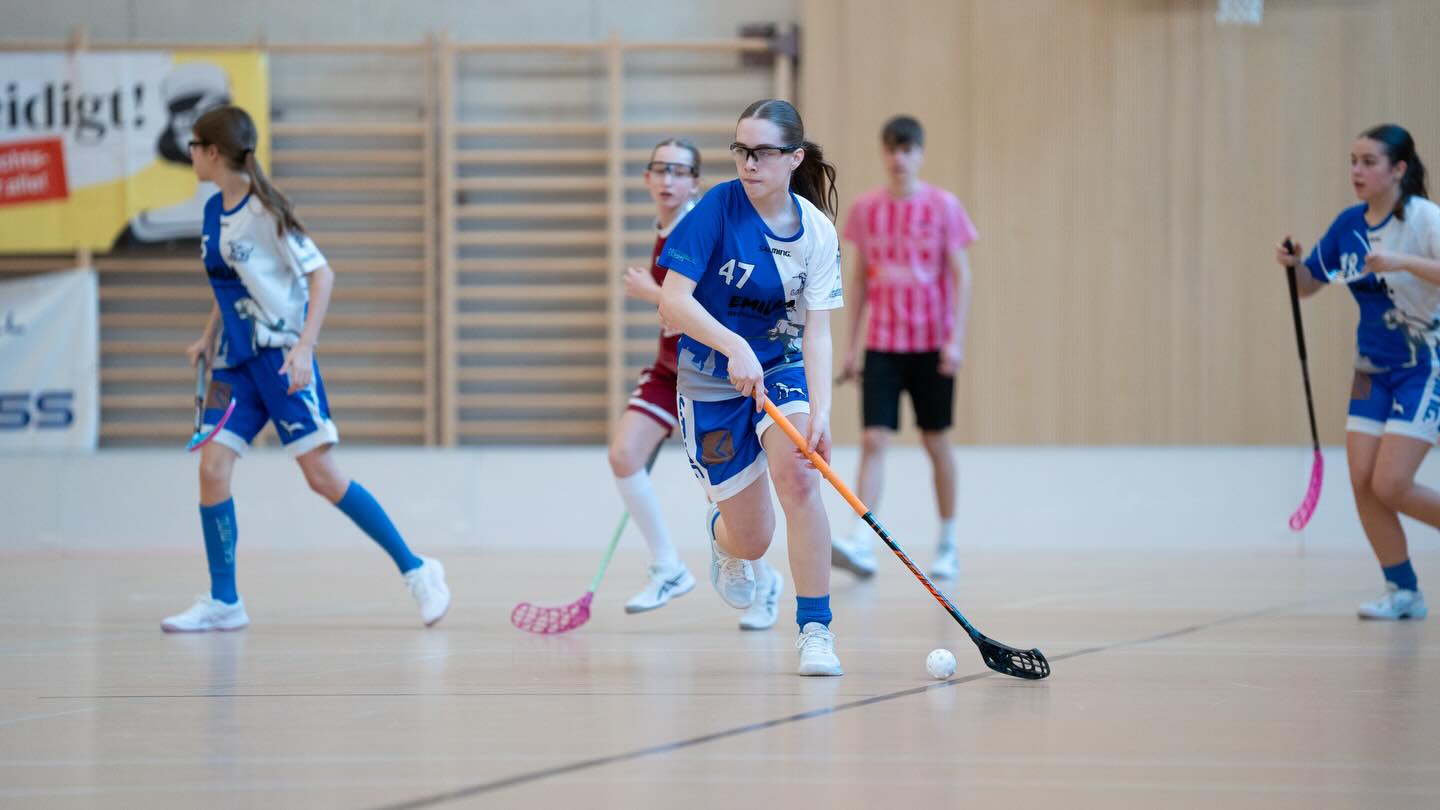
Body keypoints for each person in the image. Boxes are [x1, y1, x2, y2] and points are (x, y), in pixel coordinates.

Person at [160, 105, 451, 632]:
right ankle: (224, 600)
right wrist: (208, 336)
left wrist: (304, 349)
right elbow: (230, 284)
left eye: (195, 147)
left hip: (279, 359)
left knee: (322, 476)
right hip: (235, 364)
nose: (191, 156)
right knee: (212, 467)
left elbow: (323, 276)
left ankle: (417, 569)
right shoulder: (211, 212)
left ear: (215, 152)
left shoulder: (267, 213)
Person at [658, 98, 846, 674]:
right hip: (711, 381)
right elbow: (673, 299)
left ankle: (815, 629)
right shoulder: (717, 208)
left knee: (801, 481)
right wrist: (733, 346)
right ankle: (723, 539)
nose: (748, 162)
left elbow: (817, 332)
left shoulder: (816, 232)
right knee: (754, 538)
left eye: (762, 152)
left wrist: (822, 412)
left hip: (781, 364)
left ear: (793, 158)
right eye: (741, 149)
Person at [1276, 123, 1440, 621]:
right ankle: (1403, 590)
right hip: (1370, 370)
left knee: (1392, 483)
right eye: (1353, 161)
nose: (1357, 171)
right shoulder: (1348, 224)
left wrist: (1400, 261)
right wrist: (1295, 265)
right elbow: (1309, 285)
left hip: (1423, 365)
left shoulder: (1423, 219)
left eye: (1369, 162)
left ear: (1399, 170)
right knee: (1364, 484)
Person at [831, 115, 976, 582]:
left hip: (931, 345)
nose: (899, 157)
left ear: (920, 153)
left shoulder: (943, 206)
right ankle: (860, 539)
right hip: (883, 344)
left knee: (936, 442)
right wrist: (851, 347)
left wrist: (954, 339)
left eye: (908, 148)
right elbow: (858, 280)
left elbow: (961, 275)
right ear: (883, 152)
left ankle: (948, 540)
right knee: (874, 439)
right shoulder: (866, 209)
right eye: (892, 148)